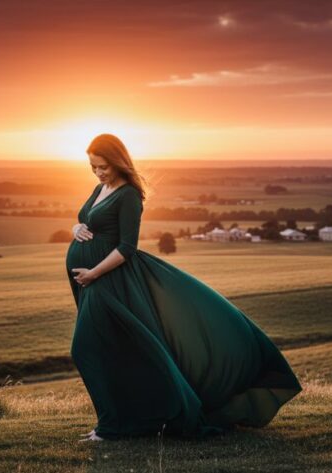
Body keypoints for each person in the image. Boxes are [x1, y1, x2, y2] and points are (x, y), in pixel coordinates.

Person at [66, 134, 302, 442]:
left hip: (110, 283)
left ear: (119, 162)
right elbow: (88, 219)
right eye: (92, 167)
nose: (97, 173)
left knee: (85, 349)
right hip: (93, 282)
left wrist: (94, 274)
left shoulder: (129, 196)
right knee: (115, 353)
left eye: (103, 167)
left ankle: (114, 426)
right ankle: (113, 425)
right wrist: (77, 227)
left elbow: (127, 247)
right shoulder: (101, 188)